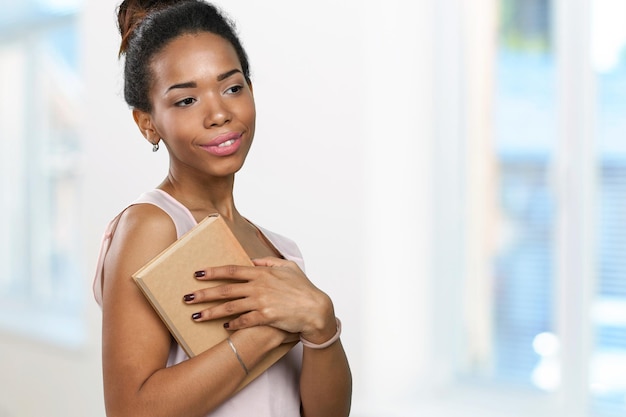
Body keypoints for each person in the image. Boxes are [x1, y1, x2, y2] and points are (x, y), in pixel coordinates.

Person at [92, 1, 352, 416]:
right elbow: (130, 410)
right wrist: (269, 331)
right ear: (147, 123)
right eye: (186, 100)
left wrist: (322, 323)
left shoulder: (281, 251)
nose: (218, 114)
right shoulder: (154, 225)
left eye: (232, 87)